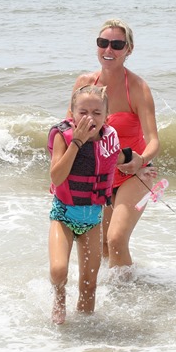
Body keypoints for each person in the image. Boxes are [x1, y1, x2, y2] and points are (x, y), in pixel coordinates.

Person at [70, 19, 160, 272]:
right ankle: (115, 289)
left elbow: (154, 140)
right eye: (103, 43)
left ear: (128, 49)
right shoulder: (84, 84)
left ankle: (127, 292)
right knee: (103, 244)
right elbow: (69, 132)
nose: (108, 50)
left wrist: (141, 160)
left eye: (117, 45)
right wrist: (61, 173)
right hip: (98, 174)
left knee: (116, 239)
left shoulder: (138, 88)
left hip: (133, 172)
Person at [47, 85, 128, 324]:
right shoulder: (63, 137)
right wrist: (77, 142)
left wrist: (142, 165)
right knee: (58, 271)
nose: (90, 118)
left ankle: (85, 332)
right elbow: (56, 177)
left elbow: (119, 157)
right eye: (83, 112)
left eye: (97, 113)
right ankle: (59, 296)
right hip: (64, 215)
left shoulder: (109, 137)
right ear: (72, 114)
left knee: (89, 284)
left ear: (106, 116)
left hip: (93, 219)